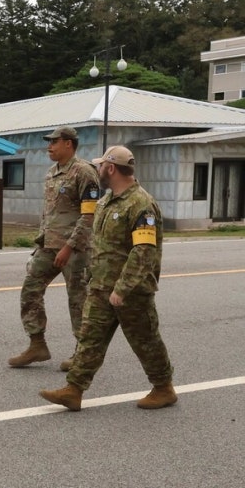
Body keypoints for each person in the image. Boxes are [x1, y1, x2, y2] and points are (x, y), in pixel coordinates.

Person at [39, 145, 176, 411]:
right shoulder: (105, 202)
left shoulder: (141, 204)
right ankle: (74, 389)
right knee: (90, 339)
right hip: (100, 286)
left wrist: (123, 289)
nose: (98, 169)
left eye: (101, 165)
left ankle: (163, 388)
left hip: (131, 291)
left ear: (111, 168)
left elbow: (143, 251)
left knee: (145, 340)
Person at [8, 126, 100, 371]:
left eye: (54, 142)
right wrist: (41, 243)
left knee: (78, 300)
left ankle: (83, 354)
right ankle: (37, 344)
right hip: (49, 246)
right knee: (30, 289)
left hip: (76, 249)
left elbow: (89, 215)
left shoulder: (84, 172)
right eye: (48, 142)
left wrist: (69, 247)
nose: (49, 146)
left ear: (69, 143)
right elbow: (49, 213)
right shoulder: (52, 173)